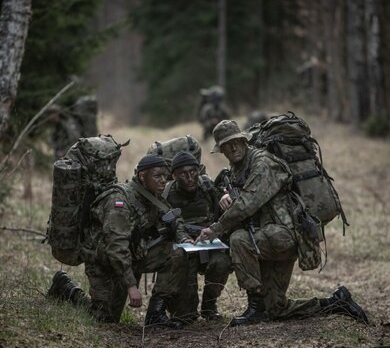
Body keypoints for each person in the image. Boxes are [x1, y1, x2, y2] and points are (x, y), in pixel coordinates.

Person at [196, 120, 368, 326]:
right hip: (266, 237)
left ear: (244, 141)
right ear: (221, 150)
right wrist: (225, 194)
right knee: (277, 308)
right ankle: (336, 302)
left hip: (285, 235)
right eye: (226, 145)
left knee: (239, 239)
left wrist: (215, 229)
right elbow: (238, 192)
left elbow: (248, 203)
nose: (233, 147)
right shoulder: (236, 169)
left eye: (236, 142)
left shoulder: (263, 163)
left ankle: (255, 307)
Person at [47, 154, 192, 328]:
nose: (163, 181)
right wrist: (131, 285)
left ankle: (156, 314)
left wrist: (184, 237)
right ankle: (66, 288)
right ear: (141, 176)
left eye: (165, 176)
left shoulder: (153, 195)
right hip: (105, 262)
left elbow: (174, 218)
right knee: (104, 318)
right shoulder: (119, 200)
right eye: (157, 176)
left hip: (132, 256)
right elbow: (116, 247)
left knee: (176, 253)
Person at [163, 151, 232, 323]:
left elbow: (221, 201)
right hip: (182, 246)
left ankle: (209, 305)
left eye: (193, 172)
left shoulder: (207, 186)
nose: (190, 178)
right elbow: (168, 222)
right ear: (174, 175)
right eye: (183, 174)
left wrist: (224, 196)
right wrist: (183, 239)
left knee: (221, 263)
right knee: (185, 314)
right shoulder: (166, 193)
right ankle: (184, 309)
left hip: (208, 242)